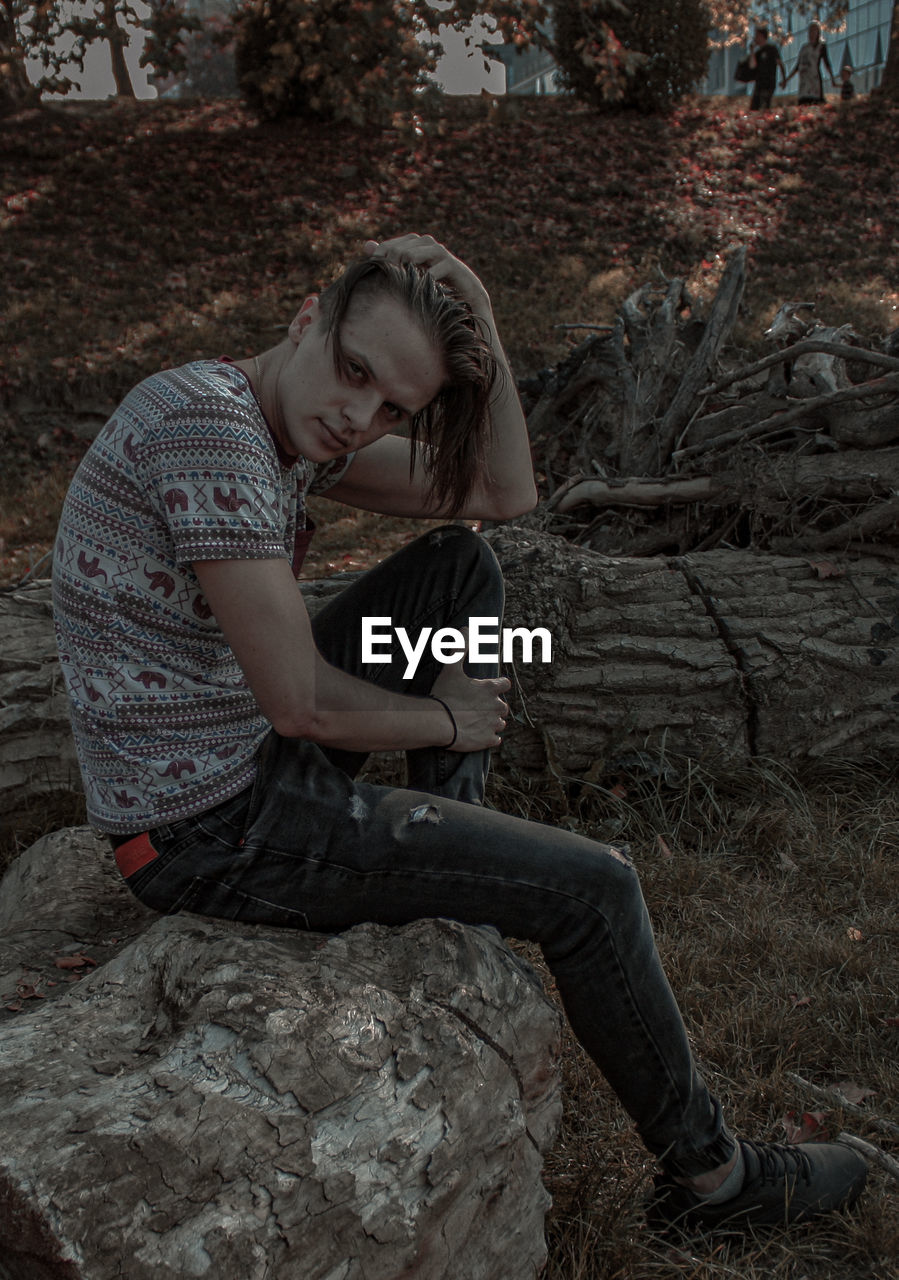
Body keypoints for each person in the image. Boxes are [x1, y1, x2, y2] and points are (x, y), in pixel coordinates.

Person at [52, 232, 868, 1231]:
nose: (358, 414)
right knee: (595, 889)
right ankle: (714, 1180)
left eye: (393, 406)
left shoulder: (277, 424)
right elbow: (299, 703)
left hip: (248, 764)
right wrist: (444, 715)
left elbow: (500, 494)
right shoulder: (210, 433)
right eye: (353, 371)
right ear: (308, 317)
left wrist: (475, 307)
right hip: (204, 831)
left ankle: (459, 891)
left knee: (457, 565)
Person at [785, 22, 837, 104]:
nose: (812, 33)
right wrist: (787, 79)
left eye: (814, 31)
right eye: (810, 31)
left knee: (815, 102)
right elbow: (797, 66)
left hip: (814, 81)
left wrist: (832, 79)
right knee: (804, 103)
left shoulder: (821, 47)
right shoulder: (804, 48)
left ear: (818, 33)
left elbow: (827, 63)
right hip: (804, 82)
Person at [747, 25, 785, 110]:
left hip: (769, 82)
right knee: (754, 107)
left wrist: (784, 79)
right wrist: (752, 51)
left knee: (764, 104)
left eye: (756, 35)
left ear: (761, 36)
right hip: (759, 84)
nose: (755, 38)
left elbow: (780, 63)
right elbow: (752, 66)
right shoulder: (758, 52)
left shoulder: (772, 49)